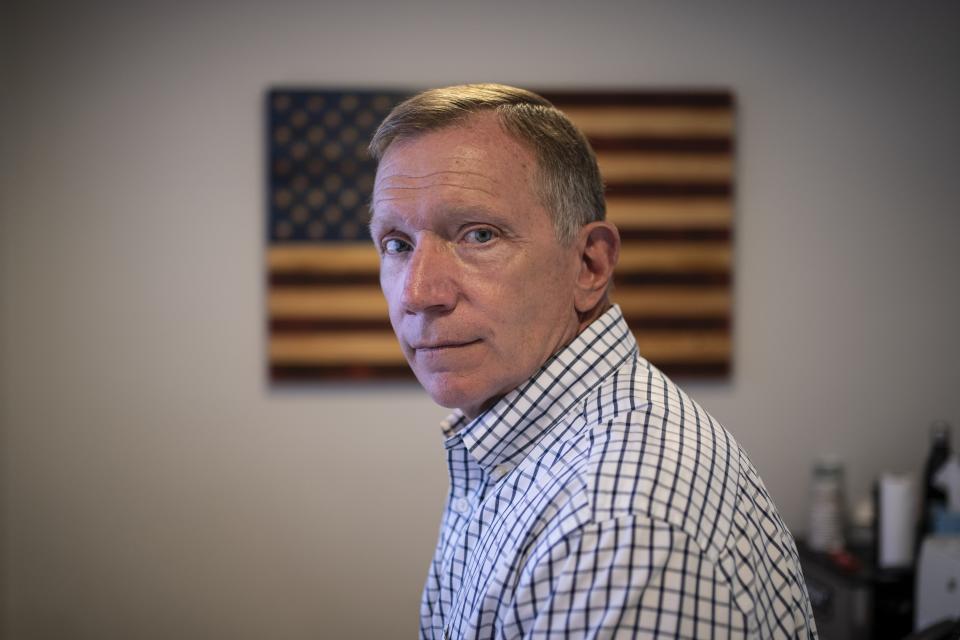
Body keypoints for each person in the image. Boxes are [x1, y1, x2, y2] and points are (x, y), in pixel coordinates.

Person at [368, 84, 817, 639]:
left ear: (589, 265)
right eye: (395, 244)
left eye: (478, 234)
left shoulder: (617, 520)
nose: (417, 292)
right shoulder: (522, 443)